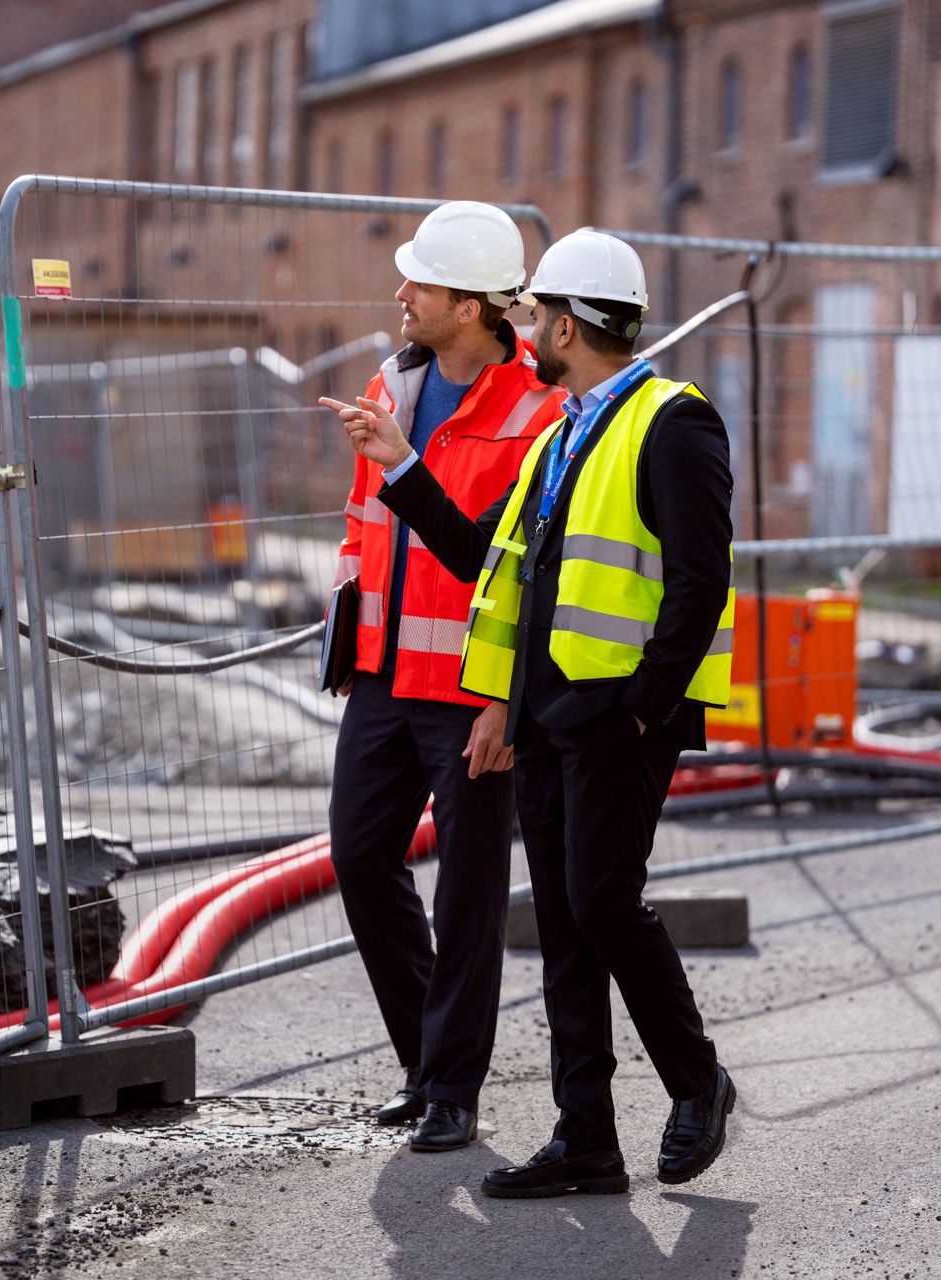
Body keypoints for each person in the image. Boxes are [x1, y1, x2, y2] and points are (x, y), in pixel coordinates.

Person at [329, 228, 739, 1196]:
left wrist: (642, 708)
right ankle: (586, 1137)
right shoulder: (564, 434)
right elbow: (486, 562)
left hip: (621, 722)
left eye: (534, 315)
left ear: (565, 323)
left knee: (601, 900)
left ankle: (698, 1079)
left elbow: (700, 582)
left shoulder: (672, 422)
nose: (526, 328)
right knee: (563, 923)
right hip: (550, 719)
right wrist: (400, 467)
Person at [312, 201, 564, 1154]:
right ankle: (427, 1059)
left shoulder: (539, 407)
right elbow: (359, 520)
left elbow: (480, 557)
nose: (400, 294)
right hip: (381, 679)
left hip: (472, 688)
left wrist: (403, 461)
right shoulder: (398, 376)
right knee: (359, 856)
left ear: (469, 306)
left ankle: (451, 1086)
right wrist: (350, 636)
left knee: (467, 888)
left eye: (419, 282)